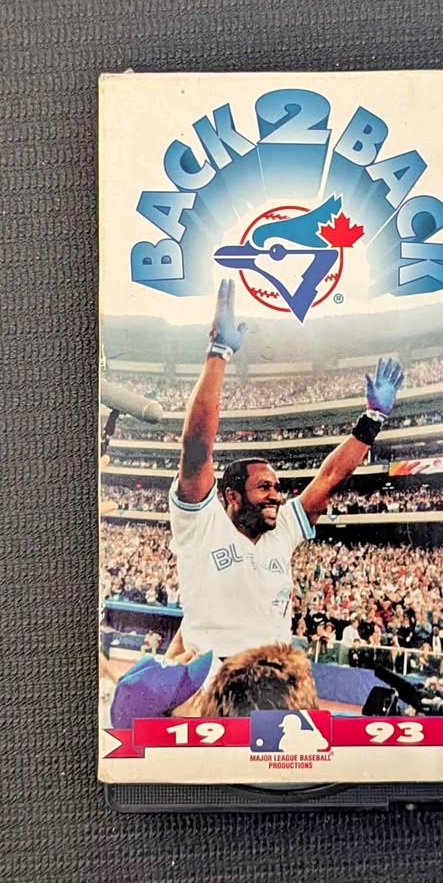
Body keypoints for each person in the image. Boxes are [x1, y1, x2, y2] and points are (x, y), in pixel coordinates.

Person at [165, 279, 404, 672]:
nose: (276, 495)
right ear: (232, 496)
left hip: (276, 679)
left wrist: (373, 419)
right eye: (264, 487)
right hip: (214, 679)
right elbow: (195, 451)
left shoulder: (283, 530)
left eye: (277, 487)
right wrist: (218, 352)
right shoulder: (201, 527)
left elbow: (329, 478)